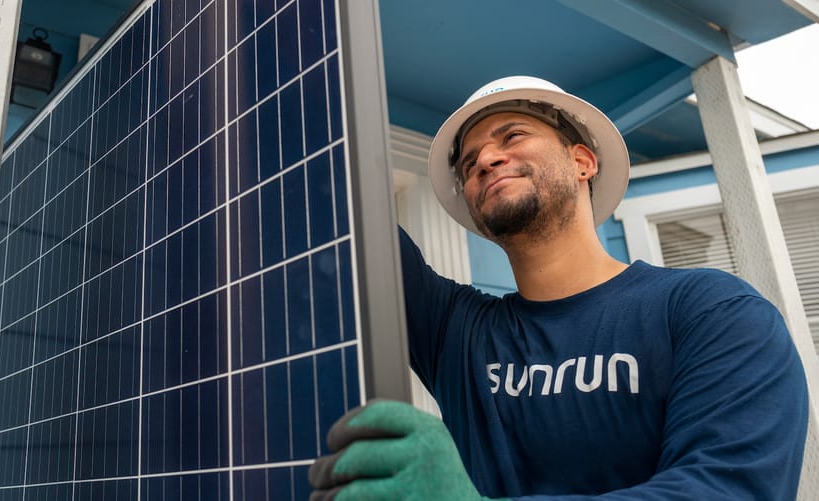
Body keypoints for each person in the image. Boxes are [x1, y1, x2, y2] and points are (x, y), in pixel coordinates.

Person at [308, 76, 809, 500]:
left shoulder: (711, 312)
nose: (485, 160)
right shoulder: (455, 333)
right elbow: (332, 195)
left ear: (583, 162)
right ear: (478, 217)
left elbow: (730, 488)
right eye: (470, 163)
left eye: (511, 136)